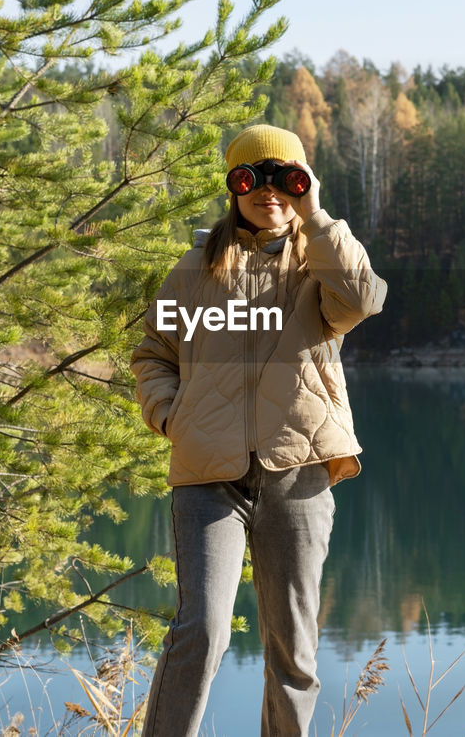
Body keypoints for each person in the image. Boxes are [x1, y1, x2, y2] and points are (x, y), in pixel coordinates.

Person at [130, 124, 387, 737]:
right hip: (208, 476)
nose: (267, 191)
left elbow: (363, 299)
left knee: (294, 649)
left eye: (284, 177)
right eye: (252, 177)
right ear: (233, 187)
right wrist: (170, 415)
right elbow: (153, 353)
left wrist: (317, 214)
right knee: (202, 631)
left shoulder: (318, 265)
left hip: (298, 471)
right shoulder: (196, 269)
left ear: (302, 183)